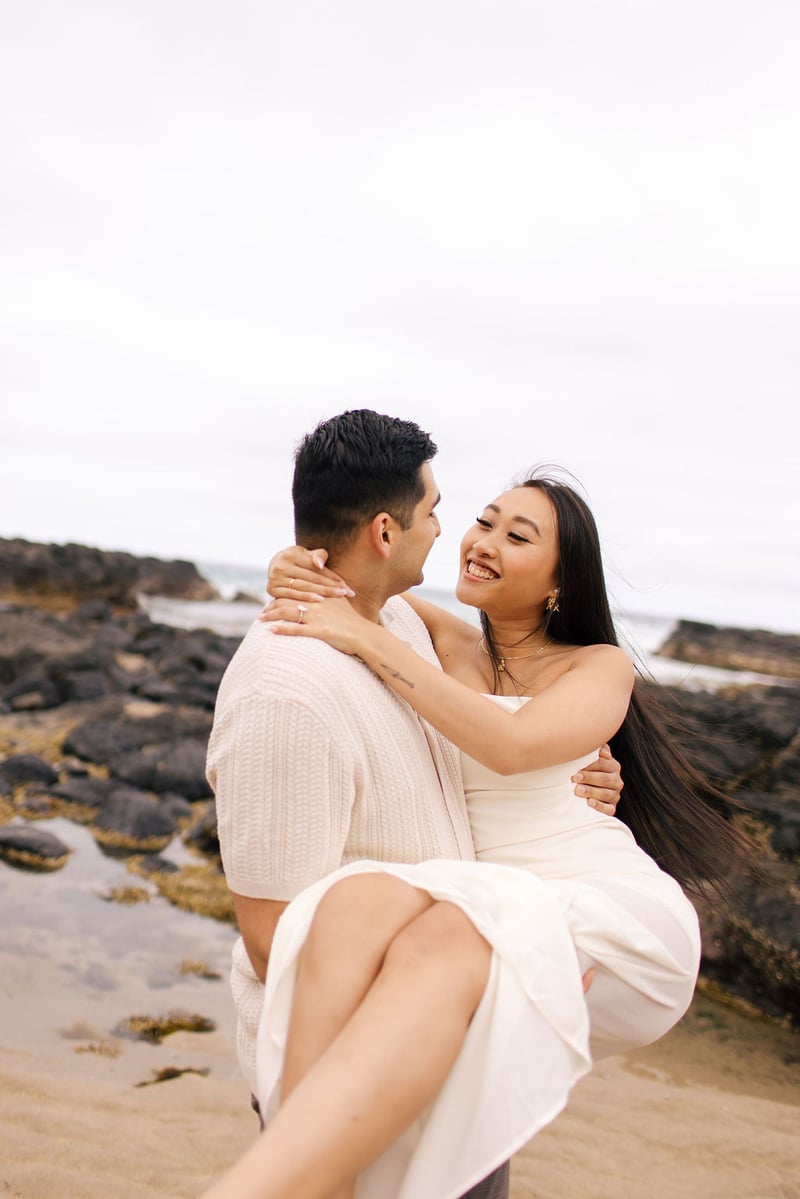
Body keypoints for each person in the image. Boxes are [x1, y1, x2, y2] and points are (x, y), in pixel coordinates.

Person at [205, 410, 623, 1199]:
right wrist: (478, 984)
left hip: (458, 1055)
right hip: (359, 1074)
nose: (450, 532)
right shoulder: (287, 691)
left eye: (512, 532)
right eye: (440, 511)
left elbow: (503, 734)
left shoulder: (398, 621)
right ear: (387, 532)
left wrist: (572, 780)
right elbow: (274, 943)